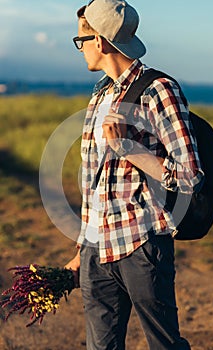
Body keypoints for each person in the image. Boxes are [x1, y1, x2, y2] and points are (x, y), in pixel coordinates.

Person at [65, 0, 204, 349]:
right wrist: (83, 247)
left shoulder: (159, 91)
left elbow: (190, 174)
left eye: (81, 40)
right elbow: (94, 182)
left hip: (141, 247)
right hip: (97, 251)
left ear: (99, 41)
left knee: (163, 344)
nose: (80, 48)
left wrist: (131, 150)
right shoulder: (100, 94)